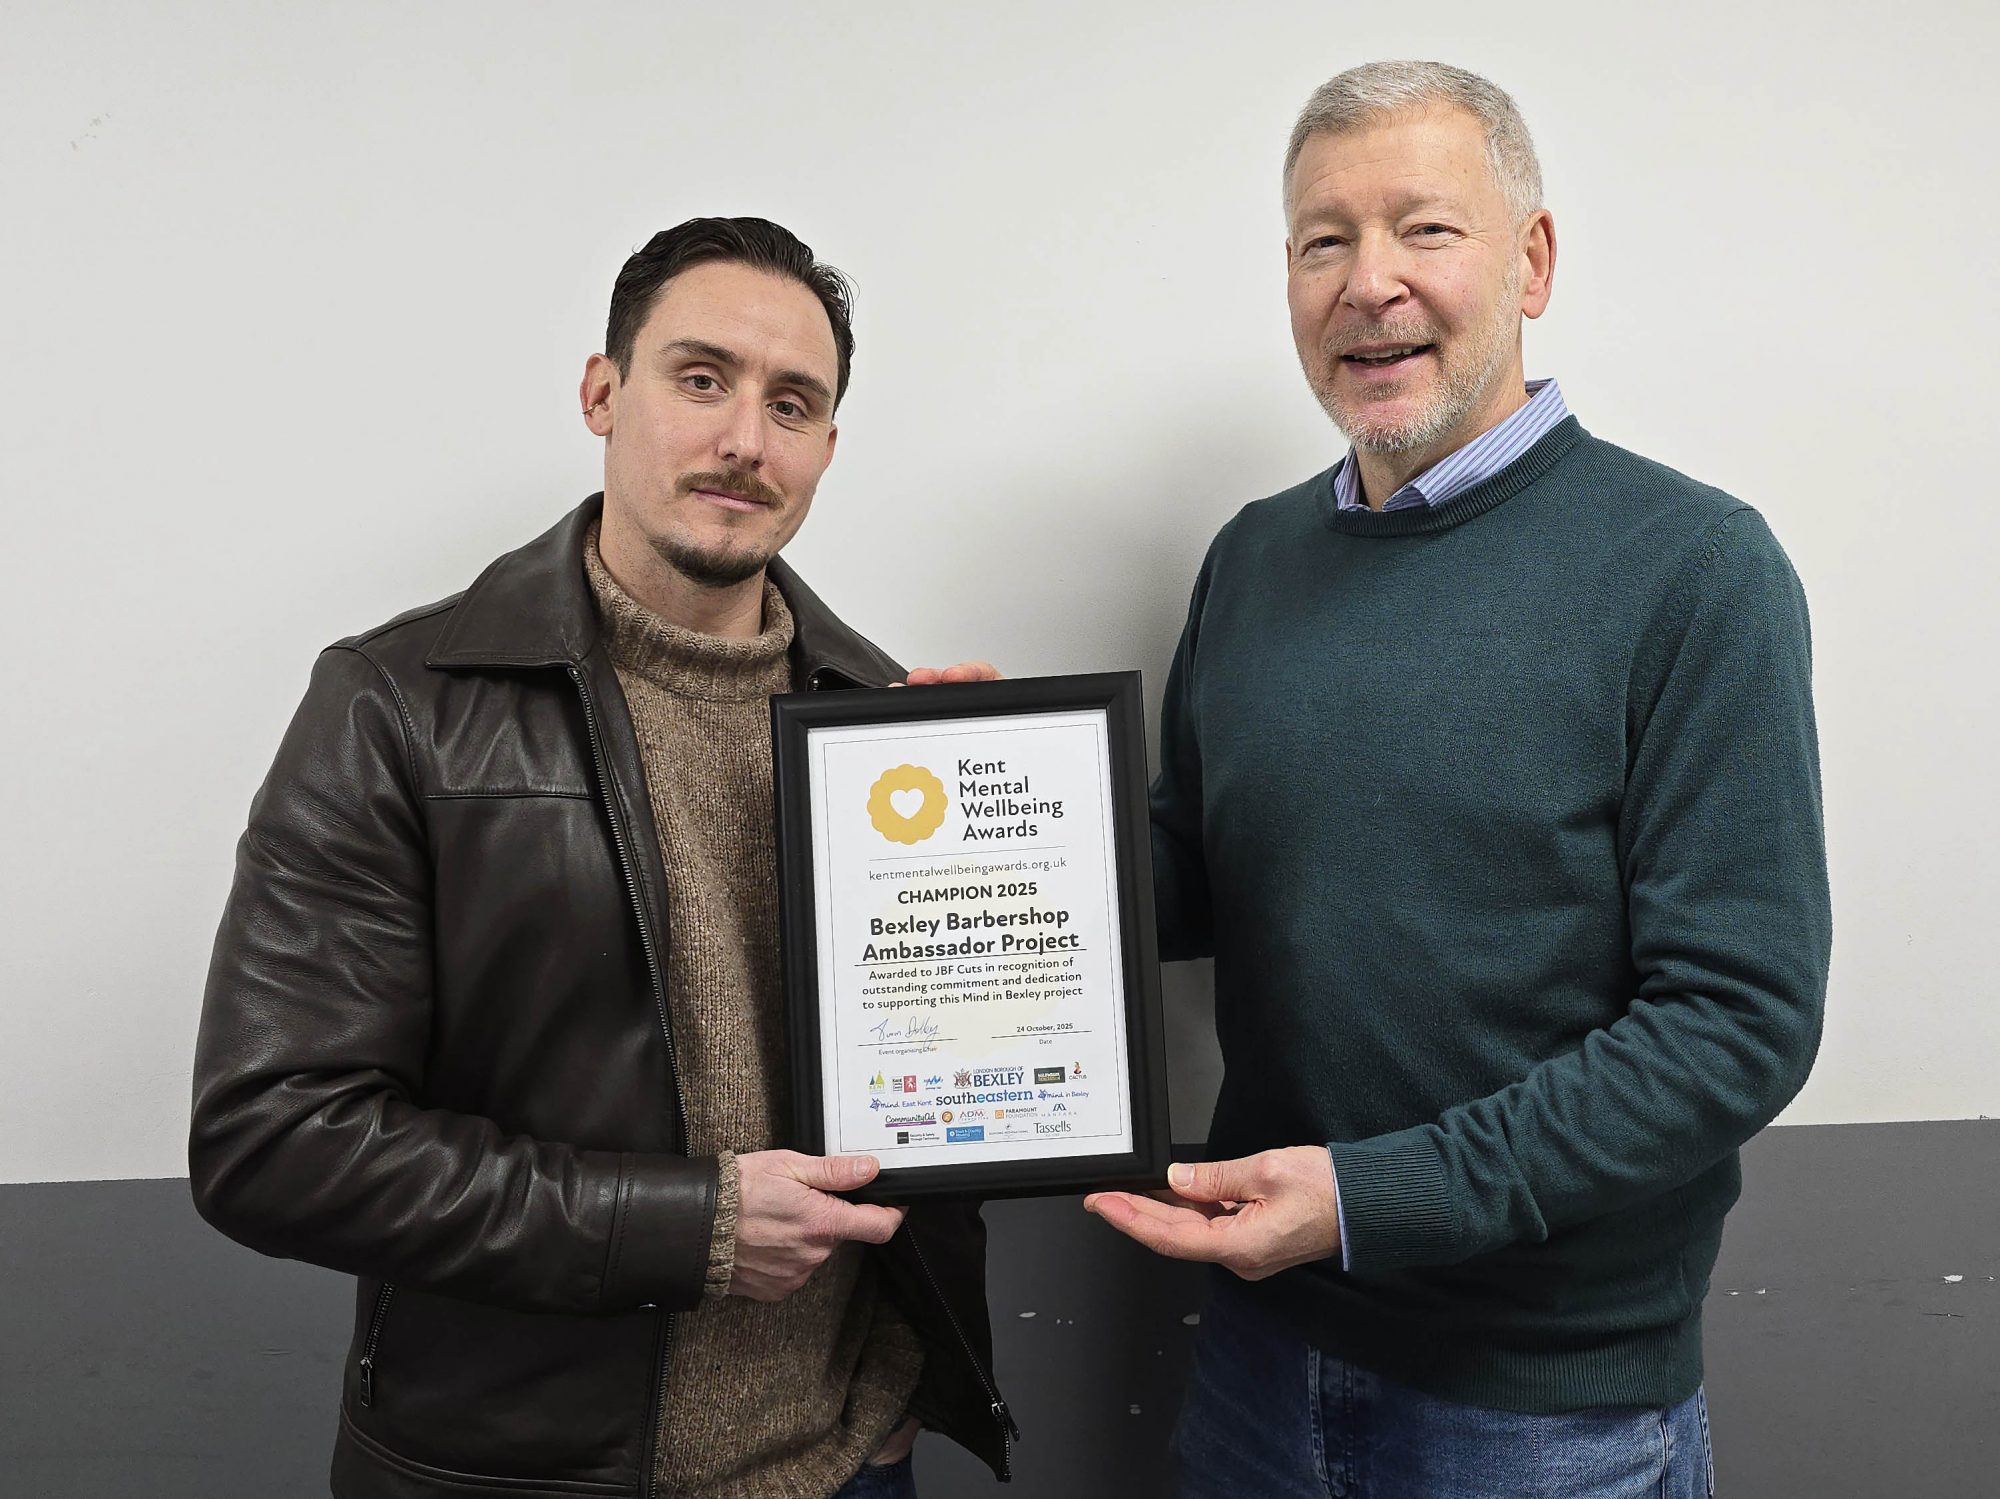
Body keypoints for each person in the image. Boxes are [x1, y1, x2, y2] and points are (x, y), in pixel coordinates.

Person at [1077, 61, 1831, 1497]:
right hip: (1256, 1356)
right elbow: (1191, 869)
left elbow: (1737, 1020)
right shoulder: (1252, 556)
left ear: (1531, 261)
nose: (1369, 282)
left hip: (1542, 1410)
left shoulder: (1694, 570)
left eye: (1424, 228)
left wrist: (1370, 1198)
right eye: (1323, 240)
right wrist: (995, 803)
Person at [190, 218, 1013, 1499]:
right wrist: (695, 1227)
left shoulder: (880, 723)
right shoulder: (396, 705)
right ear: (601, 393)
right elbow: (273, 1139)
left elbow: (950, 1087)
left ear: (826, 446)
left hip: (847, 1464)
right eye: (701, 378)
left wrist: (1008, 827)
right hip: (527, 1477)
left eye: (790, 404)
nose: (745, 439)